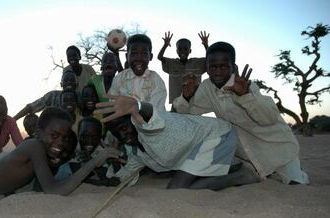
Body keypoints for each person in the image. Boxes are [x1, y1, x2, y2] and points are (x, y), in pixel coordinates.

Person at [173, 41, 309, 185]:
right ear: (207, 68)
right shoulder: (207, 87)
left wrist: (245, 96)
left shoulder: (247, 86)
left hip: (277, 149)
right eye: (213, 67)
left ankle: (297, 171)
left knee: (296, 183)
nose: (218, 71)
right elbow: (189, 113)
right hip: (244, 154)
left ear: (234, 67)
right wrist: (187, 97)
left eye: (224, 66)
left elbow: (268, 119)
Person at [96, 95, 260, 190]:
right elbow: (131, 169)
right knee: (186, 183)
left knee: (177, 188)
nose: (122, 134)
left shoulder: (147, 128)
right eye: (116, 131)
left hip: (216, 135)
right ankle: (231, 167)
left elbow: (150, 114)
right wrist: (114, 180)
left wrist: (137, 105)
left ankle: (243, 177)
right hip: (198, 146)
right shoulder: (134, 151)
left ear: (133, 120)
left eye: (124, 127)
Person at [108, 34, 167, 112]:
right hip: (123, 122)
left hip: (151, 123)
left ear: (151, 56)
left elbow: (155, 111)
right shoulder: (119, 79)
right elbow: (113, 105)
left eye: (144, 53)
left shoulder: (156, 80)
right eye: (134, 53)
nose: (139, 58)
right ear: (126, 56)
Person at [157, 31, 209, 104]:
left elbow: (210, 59)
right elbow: (160, 57)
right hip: (176, 102)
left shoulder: (197, 63)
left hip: (195, 103)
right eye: (180, 49)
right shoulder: (172, 63)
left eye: (185, 49)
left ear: (190, 51)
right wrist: (165, 45)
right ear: (176, 51)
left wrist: (206, 45)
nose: (182, 51)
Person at [69, 117, 121, 186]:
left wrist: (93, 163)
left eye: (94, 137)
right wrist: (103, 182)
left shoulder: (102, 150)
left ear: (100, 137)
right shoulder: (71, 149)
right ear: (78, 135)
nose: (90, 141)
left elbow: (104, 173)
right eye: (85, 136)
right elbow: (75, 177)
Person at [13, 70, 78, 120]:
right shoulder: (52, 96)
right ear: (61, 84)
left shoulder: (83, 97)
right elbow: (31, 107)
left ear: (77, 84)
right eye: (66, 80)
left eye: (72, 80)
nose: (69, 82)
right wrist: (13, 119)